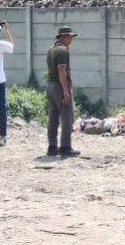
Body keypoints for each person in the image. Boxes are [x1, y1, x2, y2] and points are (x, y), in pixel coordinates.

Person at [46, 25, 80, 157]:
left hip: (50, 85)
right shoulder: (63, 51)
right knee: (67, 116)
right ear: (65, 36)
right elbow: (61, 70)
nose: (71, 40)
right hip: (59, 86)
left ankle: (52, 147)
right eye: (71, 37)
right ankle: (65, 147)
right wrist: (66, 91)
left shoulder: (51, 49)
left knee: (53, 117)